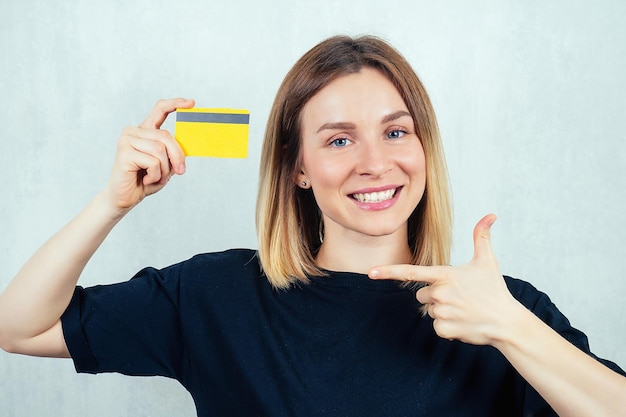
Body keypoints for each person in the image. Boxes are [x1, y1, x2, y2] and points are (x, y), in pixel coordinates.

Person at [0, 35, 624, 417]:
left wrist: (514, 330)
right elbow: (19, 327)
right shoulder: (217, 297)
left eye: (396, 131)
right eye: (338, 139)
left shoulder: (498, 310)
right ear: (297, 167)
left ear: (425, 148)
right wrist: (112, 203)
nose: (376, 163)